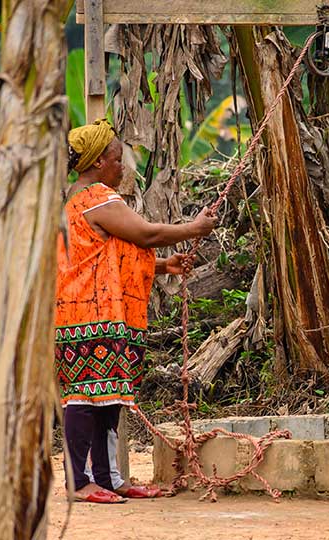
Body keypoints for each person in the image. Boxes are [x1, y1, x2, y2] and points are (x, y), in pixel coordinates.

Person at [55, 119, 217, 504]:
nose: (121, 167)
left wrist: (163, 266)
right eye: (115, 159)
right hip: (88, 314)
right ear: (97, 162)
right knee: (84, 397)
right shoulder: (96, 198)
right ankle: (79, 482)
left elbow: (107, 255)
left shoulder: (77, 202)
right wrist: (194, 229)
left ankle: (109, 477)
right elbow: (146, 235)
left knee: (107, 396)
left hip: (93, 311)